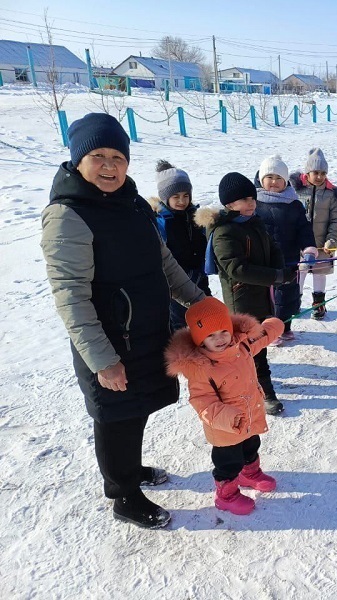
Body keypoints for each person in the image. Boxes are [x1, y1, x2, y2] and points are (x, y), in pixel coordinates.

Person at [40, 112, 206, 529]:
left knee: (136, 412)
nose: (110, 166)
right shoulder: (67, 215)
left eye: (118, 156)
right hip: (110, 342)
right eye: (98, 156)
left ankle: (129, 471)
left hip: (146, 333)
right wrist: (102, 359)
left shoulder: (132, 203)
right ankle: (124, 496)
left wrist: (200, 304)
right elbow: (71, 296)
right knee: (116, 418)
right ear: (78, 159)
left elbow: (163, 263)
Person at [165, 297, 285, 515]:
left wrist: (273, 326)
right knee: (228, 464)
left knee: (251, 446)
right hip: (224, 428)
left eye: (223, 331)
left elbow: (260, 338)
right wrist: (227, 417)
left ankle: (250, 473)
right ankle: (226, 495)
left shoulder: (241, 346)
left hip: (249, 416)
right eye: (210, 336)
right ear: (199, 340)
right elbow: (202, 402)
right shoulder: (201, 368)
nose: (219, 339)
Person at [196, 172, 292, 416]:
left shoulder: (254, 222)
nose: (251, 203)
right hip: (242, 301)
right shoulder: (224, 231)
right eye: (244, 200)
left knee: (259, 345)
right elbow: (236, 269)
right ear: (229, 204)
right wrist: (276, 277)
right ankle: (266, 393)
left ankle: (257, 385)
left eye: (252, 198)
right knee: (250, 350)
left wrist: (282, 268)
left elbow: (273, 248)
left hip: (262, 295)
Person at [254, 155, 318, 344]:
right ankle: (270, 331)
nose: (274, 182)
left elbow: (303, 229)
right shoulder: (254, 204)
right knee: (268, 298)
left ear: (285, 181)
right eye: (270, 177)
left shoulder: (294, 204)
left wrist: (308, 249)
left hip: (288, 260)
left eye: (279, 178)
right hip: (264, 263)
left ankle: (285, 326)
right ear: (261, 179)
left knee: (288, 296)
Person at [150, 160, 212, 331]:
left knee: (208, 319)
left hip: (199, 279)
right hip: (175, 287)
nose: (181, 201)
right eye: (176, 197)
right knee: (181, 326)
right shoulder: (161, 222)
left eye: (186, 196)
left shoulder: (196, 216)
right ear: (165, 197)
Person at [289, 148, 337, 320]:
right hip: (300, 244)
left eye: (323, 173)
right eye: (316, 172)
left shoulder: (331, 194)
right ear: (308, 172)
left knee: (320, 273)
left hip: (322, 243)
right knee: (299, 271)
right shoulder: (296, 191)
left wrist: (333, 240)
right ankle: (294, 302)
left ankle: (319, 304)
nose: (319, 176)